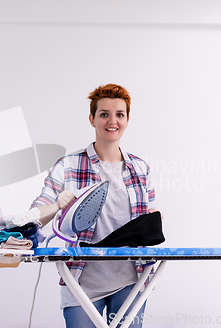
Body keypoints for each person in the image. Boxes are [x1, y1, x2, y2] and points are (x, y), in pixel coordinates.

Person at [30, 83, 159, 328]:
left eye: (119, 114)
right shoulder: (68, 165)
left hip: (132, 281)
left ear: (127, 120)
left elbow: (148, 220)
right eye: (104, 114)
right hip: (81, 282)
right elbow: (36, 216)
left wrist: (153, 221)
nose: (113, 121)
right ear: (92, 119)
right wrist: (57, 205)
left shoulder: (141, 169)